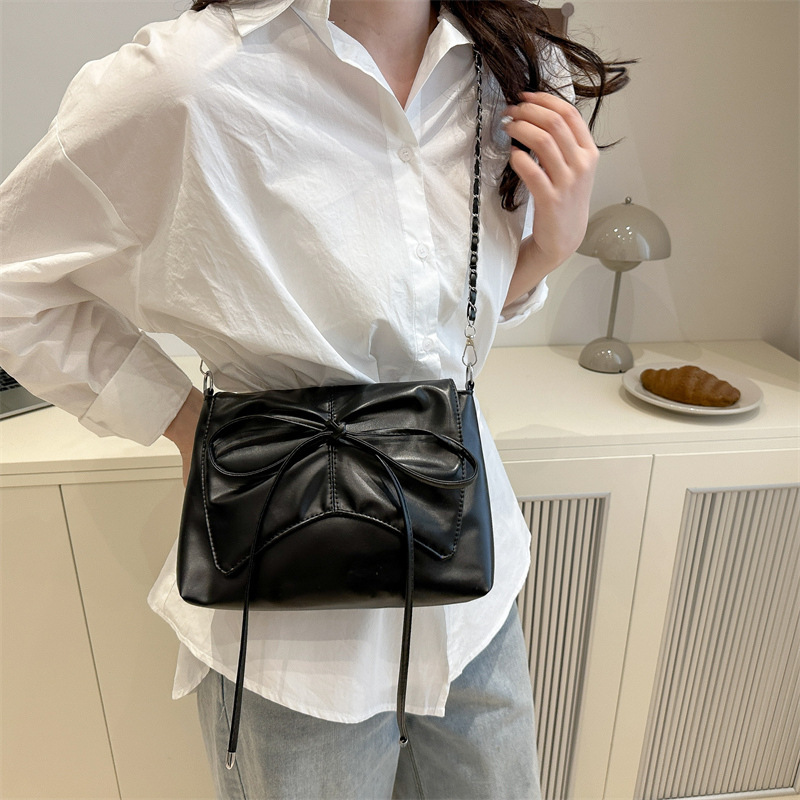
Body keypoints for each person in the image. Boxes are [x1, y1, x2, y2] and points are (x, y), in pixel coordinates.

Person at [0, 0, 628, 797]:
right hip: (290, 639)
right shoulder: (191, 80)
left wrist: (548, 248)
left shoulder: (517, 66)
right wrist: (183, 421)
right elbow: (13, 278)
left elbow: (447, 327)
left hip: (471, 598)